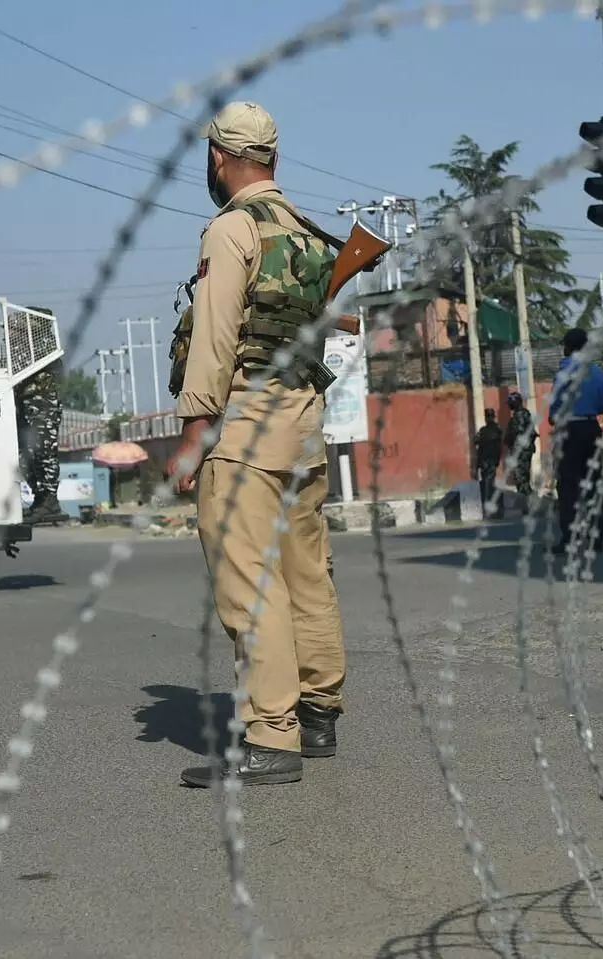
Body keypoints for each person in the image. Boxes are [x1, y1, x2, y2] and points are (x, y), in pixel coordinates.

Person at [165, 101, 346, 788]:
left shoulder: (232, 229)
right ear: (273, 156)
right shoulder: (307, 233)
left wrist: (192, 435)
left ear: (218, 156)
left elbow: (213, 339)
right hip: (303, 423)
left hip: (245, 428)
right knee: (307, 571)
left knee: (251, 579)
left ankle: (273, 735)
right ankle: (318, 708)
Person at [549, 327, 603, 555]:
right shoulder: (598, 373)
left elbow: (554, 410)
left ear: (567, 347)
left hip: (569, 431)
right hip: (591, 429)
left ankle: (569, 539)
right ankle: (596, 539)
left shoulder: (563, 373)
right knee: (594, 484)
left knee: (568, 487)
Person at [12, 305, 68, 526]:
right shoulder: (26, 346)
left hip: (43, 406)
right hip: (27, 406)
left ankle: (49, 500)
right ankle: (41, 498)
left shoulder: (45, 346)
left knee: (44, 451)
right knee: (23, 456)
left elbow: (20, 365)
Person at [504, 391, 535, 496]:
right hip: (523, 451)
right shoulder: (524, 414)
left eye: (510, 403)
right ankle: (527, 503)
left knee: (521, 479)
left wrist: (508, 439)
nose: (509, 406)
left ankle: (527, 504)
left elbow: (518, 433)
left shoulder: (520, 415)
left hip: (521, 452)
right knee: (523, 478)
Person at [472, 409, 504, 512]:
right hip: (489, 461)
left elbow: (475, 441)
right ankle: (491, 506)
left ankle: (491, 507)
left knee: (487, 484)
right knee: (489, 484)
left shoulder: (485, 431)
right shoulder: (495, 430)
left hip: (487, 461)